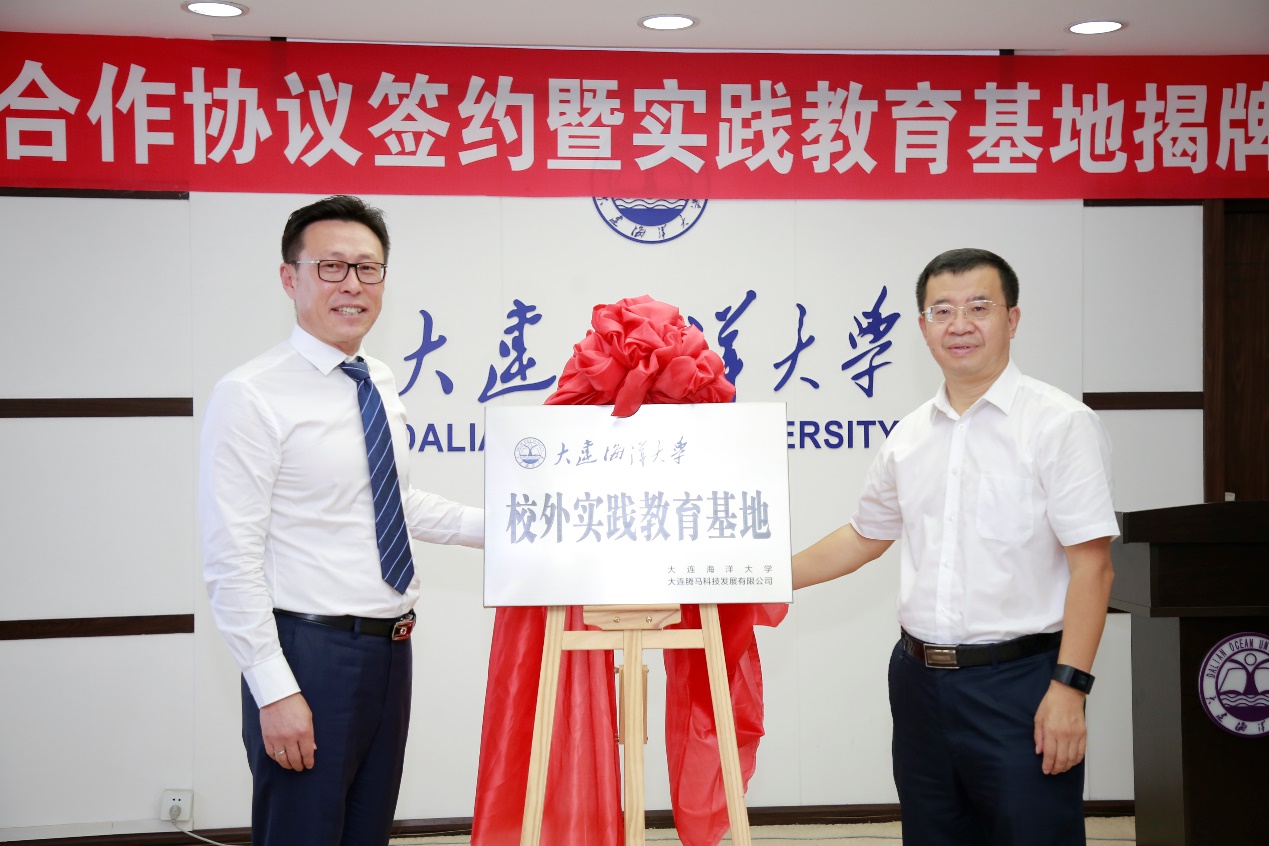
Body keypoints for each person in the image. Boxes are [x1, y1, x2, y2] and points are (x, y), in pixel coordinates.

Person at [793, 248, 1118, 845]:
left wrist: (1069, 688)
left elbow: (1092, 569)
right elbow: (863, 537)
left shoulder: (1059, 424)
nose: (959, 324)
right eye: (941, 311)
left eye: (978, 307)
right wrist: (756, 575)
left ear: (1012, 319)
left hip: (1021, 686)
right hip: (919, 685)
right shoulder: (909, 436)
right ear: (922, 327)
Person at [200, 195, 484, 846]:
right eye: (331, 267)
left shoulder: (376, 378)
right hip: (308, 654)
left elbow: (390, 504)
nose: (352, 284)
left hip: (390, 652)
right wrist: (274, 690)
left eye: (368, 268)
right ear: (289, 277)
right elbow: (230, 557)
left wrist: (515, 527)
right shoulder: (251, 394)